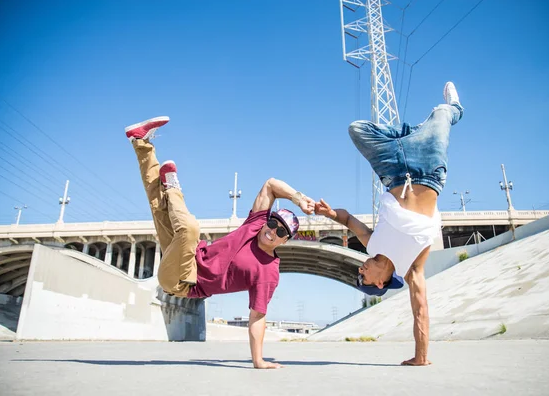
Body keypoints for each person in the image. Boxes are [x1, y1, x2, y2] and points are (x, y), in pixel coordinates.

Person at [125, 116, 315, 369]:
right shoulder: (254, 225)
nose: (272, 231)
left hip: (183, 281)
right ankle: (140, 142)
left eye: (281, 232)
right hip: (187, 254)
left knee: (190, 228)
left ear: (284, 240)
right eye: (273, 223)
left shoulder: (268, 272)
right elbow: (270, 184)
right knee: (158, 205)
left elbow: (258, 317)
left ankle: (172, 187)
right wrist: (299, 199)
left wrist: (258, 360)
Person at [314, 81, 464, 366]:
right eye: (363, 278)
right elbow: (421, 309)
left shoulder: (372, 244)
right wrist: (421, 357)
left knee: (356, 129)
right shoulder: (412, 269)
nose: (361, 270)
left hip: (393, 170)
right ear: (381, 283)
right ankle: (448, 113)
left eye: (360, 275)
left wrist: (329, 213)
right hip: (429, 168)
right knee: (443, 114)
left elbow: (347, 219)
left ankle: (406, 135)